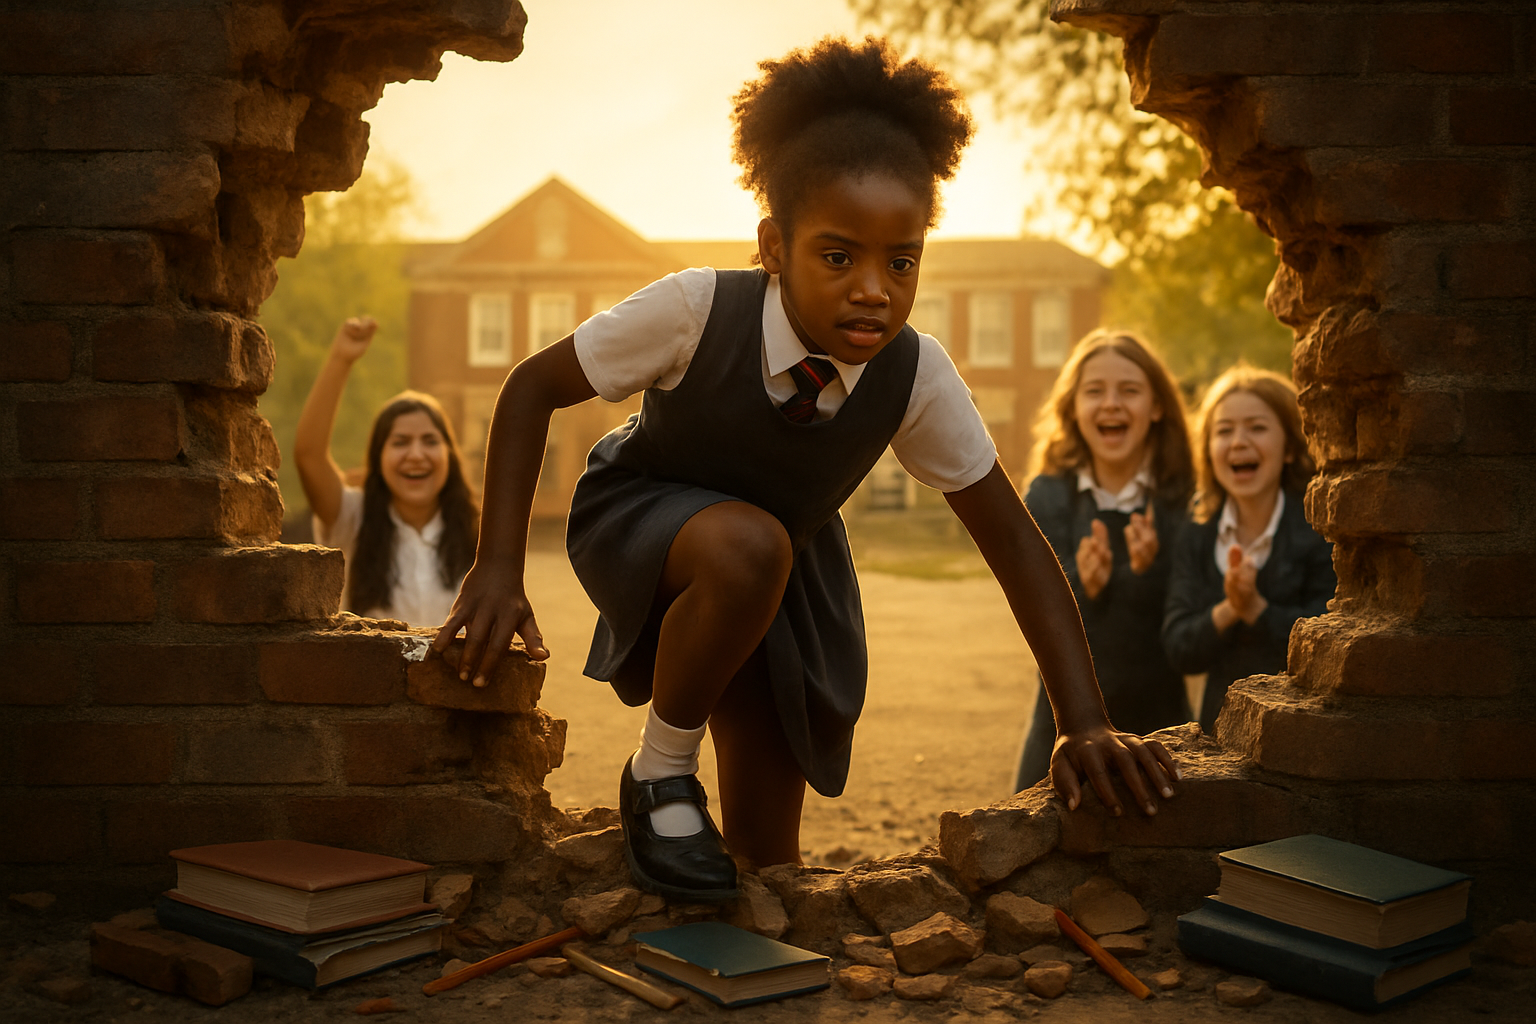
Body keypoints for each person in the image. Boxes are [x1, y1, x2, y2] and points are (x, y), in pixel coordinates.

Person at [434, 37, 1178, 903]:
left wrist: (1083, 722)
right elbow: (529, 390)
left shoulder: (915, 374)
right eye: (838, 256)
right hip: (644, 516)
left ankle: (730, 948)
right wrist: (496, 568)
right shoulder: (694, 308)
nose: (874, 288)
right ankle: (658, 771)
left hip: (781, 575)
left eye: (901, 261)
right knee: (748, 546)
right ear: (774, 247)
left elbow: (1013, 541)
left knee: (765, 858)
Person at [1014, 331, 1196, 790]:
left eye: (1129, 390)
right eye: (1095, 391)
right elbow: (1034, 615)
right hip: (1061, 726)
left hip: (1162, 722)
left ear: (1156, 407)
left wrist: (1150, 575)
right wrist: (1082, 589)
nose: (1111, 403)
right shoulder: (1047, 495)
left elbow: (1189, 630)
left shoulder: (1187, 499)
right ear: (1073, 408)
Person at [1162, 365, 1335, 734]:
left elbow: (1332, 646)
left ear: (1289, 447)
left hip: (1306, 731)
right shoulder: (1196, 531)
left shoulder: (1321, 529)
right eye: (1224, 431)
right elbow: (1179, 648)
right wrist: (1228, 611)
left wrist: (1257, 610)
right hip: (1218, 733)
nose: (1239, 441)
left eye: (1257, 427)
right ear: (1209, 452)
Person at [294, 316, 480, 627]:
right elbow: (309, 457)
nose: (416, 455)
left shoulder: (479, 533)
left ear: (450, 455)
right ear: (378, 458)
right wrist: (341, 359)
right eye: (400, 442)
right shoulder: (353, 517)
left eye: (430, 441)